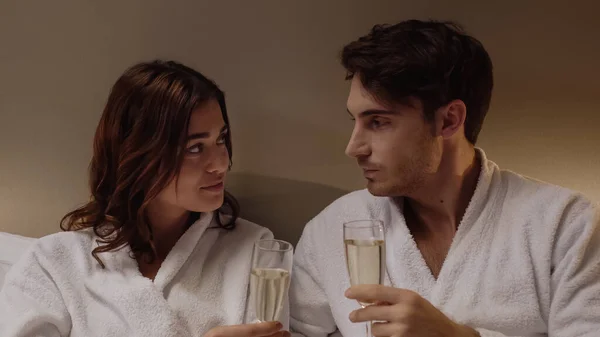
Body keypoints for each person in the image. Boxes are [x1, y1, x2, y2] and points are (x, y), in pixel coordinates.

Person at [289, 20, 600, 337]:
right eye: (355, 121)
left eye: (378, 122)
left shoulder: (564, 224)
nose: (353, 147)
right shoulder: (331, 231)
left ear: (449, 120)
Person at [0, 60, 290, 337]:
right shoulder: (55, 263)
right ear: (140, 154)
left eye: (221, 139)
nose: (221, 163)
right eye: (194, 148)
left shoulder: (257, 253)